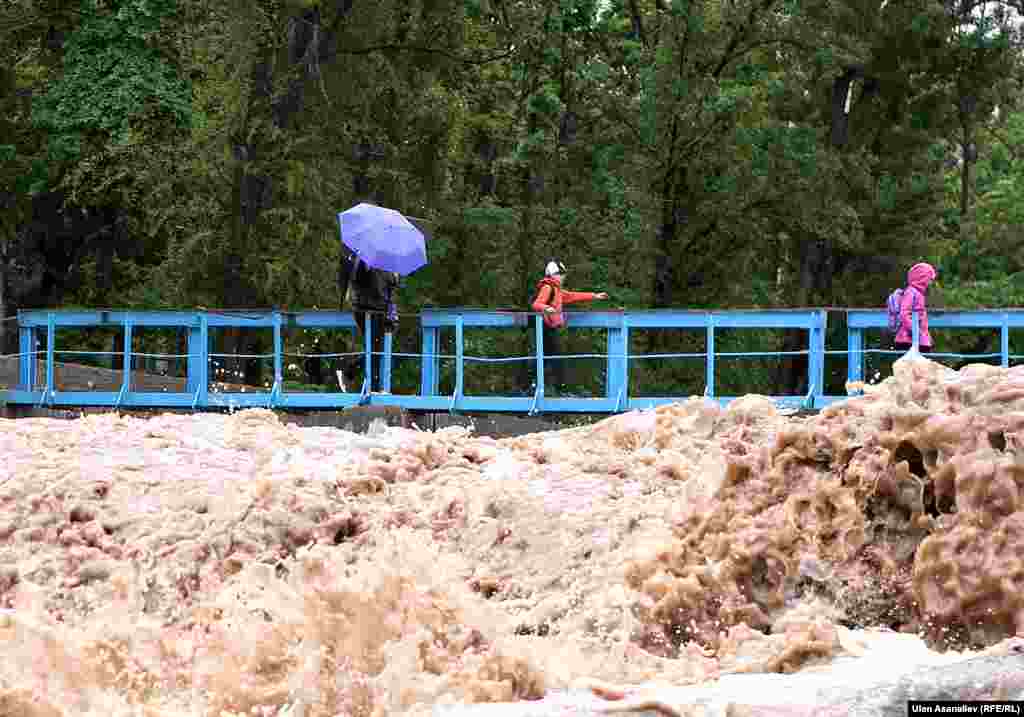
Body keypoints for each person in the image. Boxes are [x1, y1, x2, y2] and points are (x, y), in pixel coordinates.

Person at [530, 260, 608, 393]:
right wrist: (546, 308)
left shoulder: (557, 290)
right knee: (552, 359)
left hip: (550, 328)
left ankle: (542, 387)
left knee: (549, 359)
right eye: (560, 274)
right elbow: (536, 304)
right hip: (544, 328)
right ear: (553, 275)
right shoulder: (548, 287)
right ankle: (550, 388)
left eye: (563, 274)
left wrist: (594, 296)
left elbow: (572, 296)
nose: (563, 277)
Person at [339, 248, 399, 392]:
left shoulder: (389, 264)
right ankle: (371, 385)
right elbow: (358, 277)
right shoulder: (364, 258)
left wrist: (392, 314)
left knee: (378, 349)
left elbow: (390, 292)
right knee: (375, 348)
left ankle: (351, 371)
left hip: (380, 310)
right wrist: (365, 264)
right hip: (365, 309)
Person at [893, 262, 937, 354]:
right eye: (929, 279)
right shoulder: (911, 292)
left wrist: (926, 336)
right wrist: (916, 331)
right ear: (922, 278)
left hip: (917, 340)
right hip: (908, 341)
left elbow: (921, 319)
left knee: (922, 366)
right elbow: (904, 314)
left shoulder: (919, 293)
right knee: (913, 367)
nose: (930, 283)